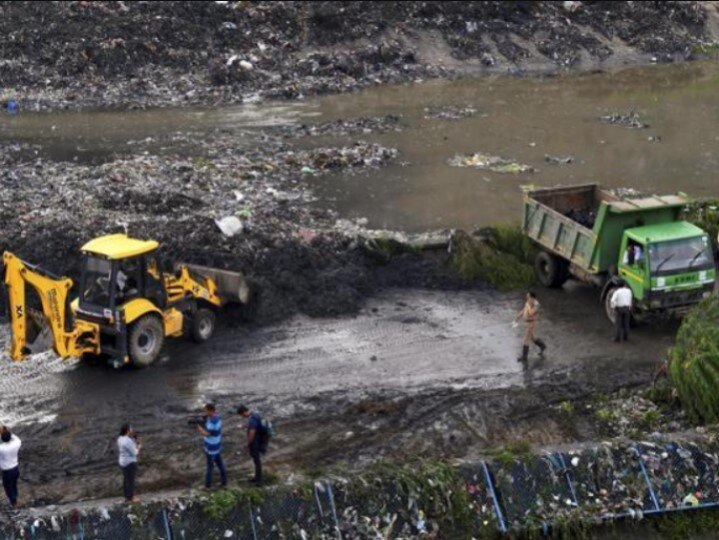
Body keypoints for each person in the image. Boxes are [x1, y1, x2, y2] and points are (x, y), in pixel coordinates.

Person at [196, 403, 227, 489]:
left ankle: (207, 486)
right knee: (220, 464)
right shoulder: (216, 418)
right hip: (216, 445)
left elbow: (207, 434)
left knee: (210, 467)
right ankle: (224, 483)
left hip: (211, 447)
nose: (205, 412)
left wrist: (198, 428)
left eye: (206, 410)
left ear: (211, 410)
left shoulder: (213, 421)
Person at [514, 291, 546, 363]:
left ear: (532, 298)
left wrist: (528, 305)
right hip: (527, 323)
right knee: (532, 337)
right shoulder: (528, 302)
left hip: (531, 323)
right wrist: (517, 317)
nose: (527, 298)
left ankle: (524, 356)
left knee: (526, 339)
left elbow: (531, 313)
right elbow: (523, 310)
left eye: (528, 297)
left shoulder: (536, 305)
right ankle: (542, 346)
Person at [237, 404, 264, 486]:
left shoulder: (252, 419)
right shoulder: (254, 415)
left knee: (257, 461)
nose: (242, 416)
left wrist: (248, 444)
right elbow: (252, 426)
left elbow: (252, 433)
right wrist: (244, 426)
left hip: (256, 442)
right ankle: (257, 477)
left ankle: (258, 481)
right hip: (258, 440)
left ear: (244, 412)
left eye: (242, 415)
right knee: (256, 460)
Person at [117, 424, 140, 503]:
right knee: (130, 481)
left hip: (123, 462)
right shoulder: (127, 441)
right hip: (130, 462)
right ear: (127, 430)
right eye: (131, 429)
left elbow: (130, 446)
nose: (132, 430)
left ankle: (127, 497)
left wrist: (133, 439)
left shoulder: (120, 439)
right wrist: (138, 448)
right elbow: (134, 453)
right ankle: (131, 497)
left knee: (126, 480)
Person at [0, 427, 21, 511]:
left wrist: (2, 432)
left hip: (7, 471)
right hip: (15, 469)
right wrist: (6, 431)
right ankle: (14, 501)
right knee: (14, 486)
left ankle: (14, 506)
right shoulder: (16, 443)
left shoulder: (1, 448)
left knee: (8, 488)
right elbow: (16, 438)